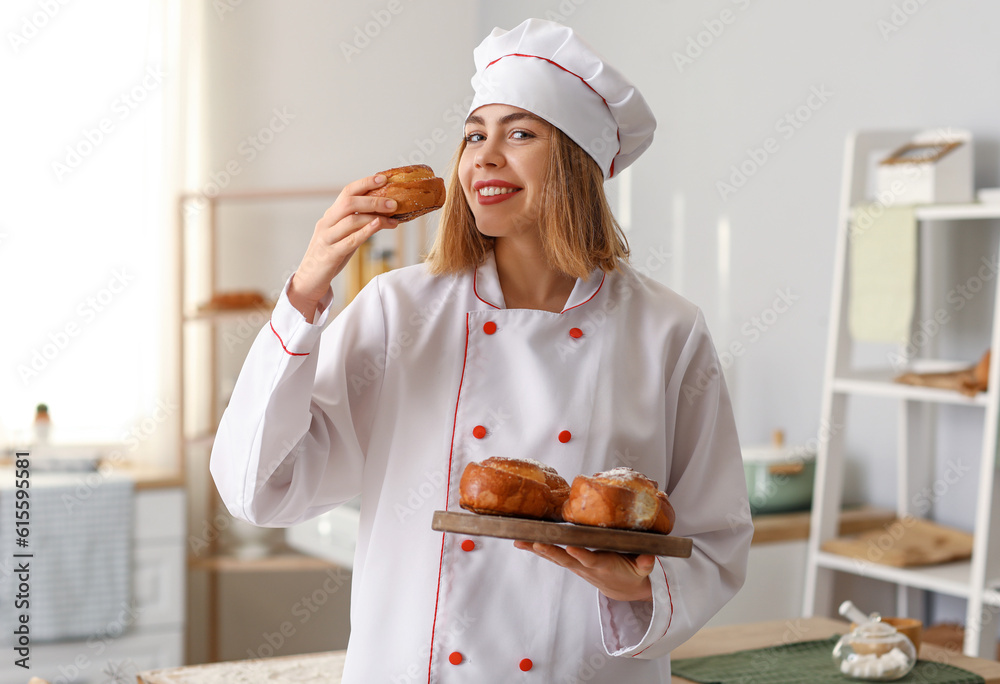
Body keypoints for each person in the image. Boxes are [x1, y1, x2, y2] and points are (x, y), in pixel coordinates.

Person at [211, 17, 752, 683]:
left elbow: (717, 536)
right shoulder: (398, 311)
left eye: (520, 133)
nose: (484, 157)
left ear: (577, 162)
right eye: (474, 136)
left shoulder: (667, 330)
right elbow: (259, 489)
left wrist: (639, 588)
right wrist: (303, 297)